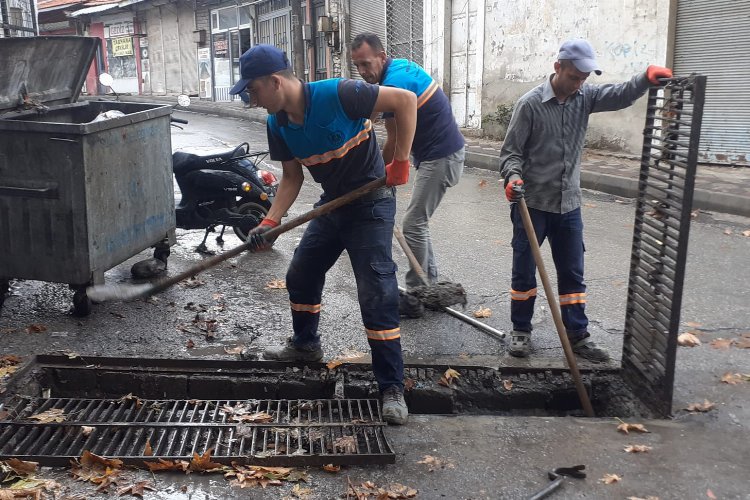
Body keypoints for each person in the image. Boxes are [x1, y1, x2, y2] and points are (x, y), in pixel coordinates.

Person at [229, 44, 417, 425]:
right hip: (333, 205)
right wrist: (270, 222)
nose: (250, 99)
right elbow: (292, 177)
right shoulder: (276, 123)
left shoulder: (340, 93)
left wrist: (399, 161)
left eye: (252, 90)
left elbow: (406, 100)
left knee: (376, 290)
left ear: (274, 81)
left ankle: (392, 387)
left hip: (371, 202)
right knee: (302, 272)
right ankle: (305, 345)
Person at [499, 38, 672, 361]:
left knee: (573, 272)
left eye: (584, 78)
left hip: (568, 205)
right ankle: (521, 330)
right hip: (532, 204)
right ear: (558, 68)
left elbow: (618, 95)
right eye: (575, 77)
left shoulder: (585, 97)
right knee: (524, 270)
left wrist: (644, 78)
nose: (580, 83)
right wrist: (512, 178)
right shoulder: (530, 104)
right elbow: (510, 154)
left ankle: (578, 335)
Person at [350, 33, 465, 317]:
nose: (364, 72)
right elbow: (375, 122)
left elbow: (392, 140)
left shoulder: (394, 84)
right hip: (436, 154)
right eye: (358, 67)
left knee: (414, 223)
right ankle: (431, 286)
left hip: (442, 157)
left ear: (381, 56)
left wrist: (372, 176)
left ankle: (416, 296)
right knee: (419, 223)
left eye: (366, 64)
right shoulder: (397, 68)